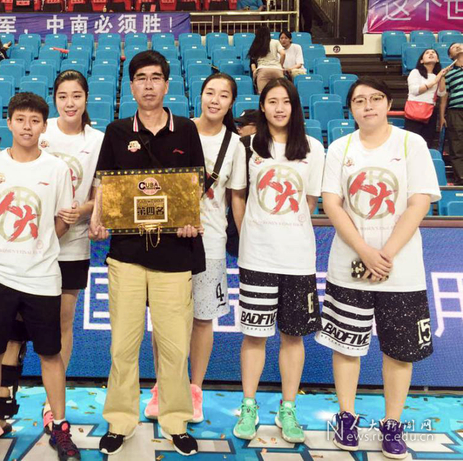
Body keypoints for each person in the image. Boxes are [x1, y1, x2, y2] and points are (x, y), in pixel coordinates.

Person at [315, 77, 440, 458]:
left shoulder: (411, 143)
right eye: (359, 100)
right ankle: (346, 417)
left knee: (399, 352)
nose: (367, 106)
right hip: (349, 265)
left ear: (388, 104)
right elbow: (332, 203)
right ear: (350, 108)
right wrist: (365, 251)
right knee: (346, 346)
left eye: (375, 98)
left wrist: (384, 253)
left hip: (401, 269)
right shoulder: (340, 148)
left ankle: (392, 423)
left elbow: (420, 201)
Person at [90, 50, 205, 457]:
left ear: (167, 84)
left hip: (175, 256)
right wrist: (97, 218)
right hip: (126, 254)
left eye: (156, 77)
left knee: (174, 347)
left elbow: (196, 184)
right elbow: (104, 182)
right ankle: (120, 420)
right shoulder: (117, 131)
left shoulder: (186, 129)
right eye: (141, 78)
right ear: (132, 86)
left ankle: (175, 421)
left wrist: (190, 219)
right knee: (123, 346)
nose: (149, 85)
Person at [0, 92, 81, 461]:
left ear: (44, 126)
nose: (27, 127)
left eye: (35, 120)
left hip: (42, 277)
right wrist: (1, 246)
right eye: (20, 119)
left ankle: (59, 426)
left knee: (51, 354)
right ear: (9, 122)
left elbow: (63, 220)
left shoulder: (57, 169)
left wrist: (39, 244)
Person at [143, 73, 244, 424]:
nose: (215, 100)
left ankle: (194, 389)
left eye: (223, 95)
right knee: (164, 319)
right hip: (167, 239)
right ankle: (164, 386)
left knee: (202, 319)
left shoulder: (235, 144)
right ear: (199, 96)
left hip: (211, 241)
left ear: (232, 102)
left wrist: (243, 240)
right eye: (209, 92)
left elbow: (236, 198)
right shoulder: (178, 130)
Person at [231, 78, 324, 444]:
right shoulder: (247, 146)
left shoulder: (313, 148)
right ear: (262, 106)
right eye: (272, 101)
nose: (279, 108)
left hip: (297, 258)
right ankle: (248, 405)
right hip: (257, 256)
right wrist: (249, 234)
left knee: (292, 337)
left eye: (286, 101)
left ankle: (288, 408)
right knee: (254, 336)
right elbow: (239, 196)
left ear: (294, 106)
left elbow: (310, 202)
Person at [37, 69, 105, 430]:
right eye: (63, 96)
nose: (69, 103)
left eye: (76, 96)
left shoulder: (98, 140)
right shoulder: (41, 131)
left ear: (86, 98)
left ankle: (53, 401)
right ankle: (5, 397)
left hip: (73, 245)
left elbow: (100, 191)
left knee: (64, 320)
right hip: (31, 245)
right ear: (55, 99)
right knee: (21, 325)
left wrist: (86, 211)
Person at [440, 43, 463, 184]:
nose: (459, 47)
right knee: (456, 144)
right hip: (455, 111)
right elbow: (444, 97)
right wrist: (442, 116)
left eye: (460, 44)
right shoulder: (448, 73)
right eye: (454, 47)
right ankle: (461, 177)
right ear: (450, 56)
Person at [248, 27, 286, 94]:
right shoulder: (275, 42)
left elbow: (252, 58)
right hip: (277, 69)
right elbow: (283, 54)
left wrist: (254, 70)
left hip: (263, 70)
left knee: (262, 95)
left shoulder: (257, 43)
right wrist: (280, 65)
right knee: (280, 93)